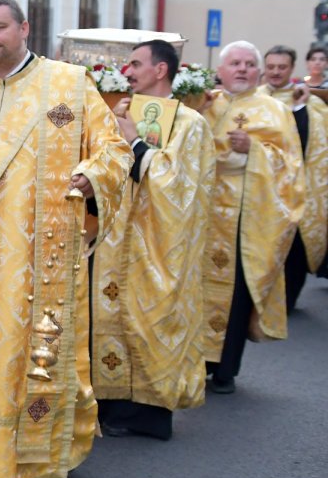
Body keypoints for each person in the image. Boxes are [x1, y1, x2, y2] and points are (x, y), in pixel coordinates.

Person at [0, 0, 131, 478]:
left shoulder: (68, 84)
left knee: (42, 358)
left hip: (48, 256)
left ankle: (43, 465)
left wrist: (92, 175)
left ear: (23, 28)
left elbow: (113, 149)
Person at [93, 40, 216, 440]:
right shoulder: (120, 112)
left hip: (159, 242)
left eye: (135, 64)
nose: (127, 71)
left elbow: (180, 187)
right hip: (115, 236)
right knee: (108, 315)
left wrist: (134, 143)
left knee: (152, 316)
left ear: (161, 70)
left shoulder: (190, 123)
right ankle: (109, 404)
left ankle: (147, 413)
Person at [201, 41, 304, 394]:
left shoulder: (275, 111)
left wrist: (254, 149)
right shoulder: (206, 103)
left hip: (246, 216)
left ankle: (225, 369)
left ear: (258, 72)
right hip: (203, 212)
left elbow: (292, 166)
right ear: (220, 70)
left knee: (236, 293)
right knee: (196, 287)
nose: (242, 69)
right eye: (235, 63)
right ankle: (197, 361)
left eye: (248, 63)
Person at [261, 45, 328, 307]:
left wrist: (299, 108)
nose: (276, 72)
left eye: (282, 67)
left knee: (292, 250)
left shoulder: (310, 103)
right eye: (271, 67)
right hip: (260, 187)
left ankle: (286, 302)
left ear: (292, 68)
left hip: (294, 188)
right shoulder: (254, 99)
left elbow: (310, 143)